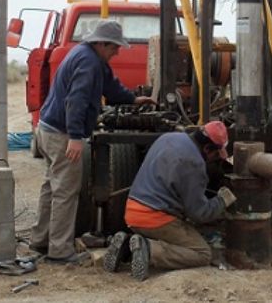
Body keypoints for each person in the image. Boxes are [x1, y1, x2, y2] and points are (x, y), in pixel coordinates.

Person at [30, 20, 155, 264]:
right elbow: (76, 101)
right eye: (114, 47)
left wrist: (133, 99)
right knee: (66, 192)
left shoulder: (92, 58)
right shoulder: (88, 62)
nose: (117, 52)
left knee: (51, 188)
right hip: (62, 133)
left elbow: (111, 87)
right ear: (101, 43)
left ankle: (40, 240)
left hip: (47, 129)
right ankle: (60, 251)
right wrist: (76, 137)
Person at [103, 121, 237, 281]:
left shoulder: (169, 138)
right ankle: (150, 250)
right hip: (155, 218)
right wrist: (222, 200)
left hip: (132, 211)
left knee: (172, 230)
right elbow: (200, 214)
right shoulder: (194, 163)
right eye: (216, 155)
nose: (214, 160)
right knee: (202, 253)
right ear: (207, 148)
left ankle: (125, 247)